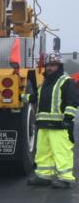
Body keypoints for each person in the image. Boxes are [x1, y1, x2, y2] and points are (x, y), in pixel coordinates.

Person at [27, 51, 78, 189]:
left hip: (60, 126)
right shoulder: (45, 83)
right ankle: (44, 176)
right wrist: (21, 97)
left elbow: (73, 102)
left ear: (59, 66)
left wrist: (68, 119)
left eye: (53, 65)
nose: (50, 68)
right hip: (43, 125)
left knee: (61, 152)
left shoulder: (66, 81)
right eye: (48, 65)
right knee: (43, 152)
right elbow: (35, 98)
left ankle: (65, 178)